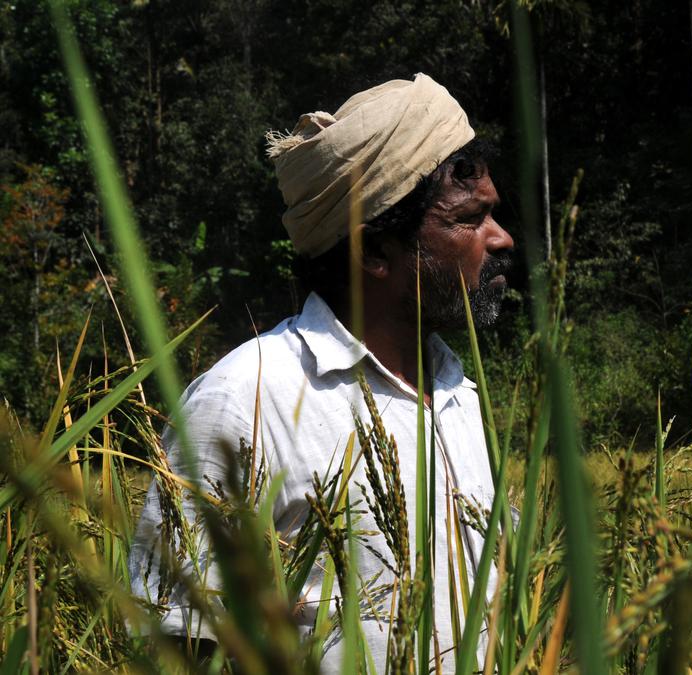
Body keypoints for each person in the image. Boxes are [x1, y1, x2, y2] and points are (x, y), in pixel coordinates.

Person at [128, 74, 514, 673]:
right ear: (373, 253)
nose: (501, 238)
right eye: (470, 219)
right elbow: (177, 642)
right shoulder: (249, 398)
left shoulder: (458, 392)